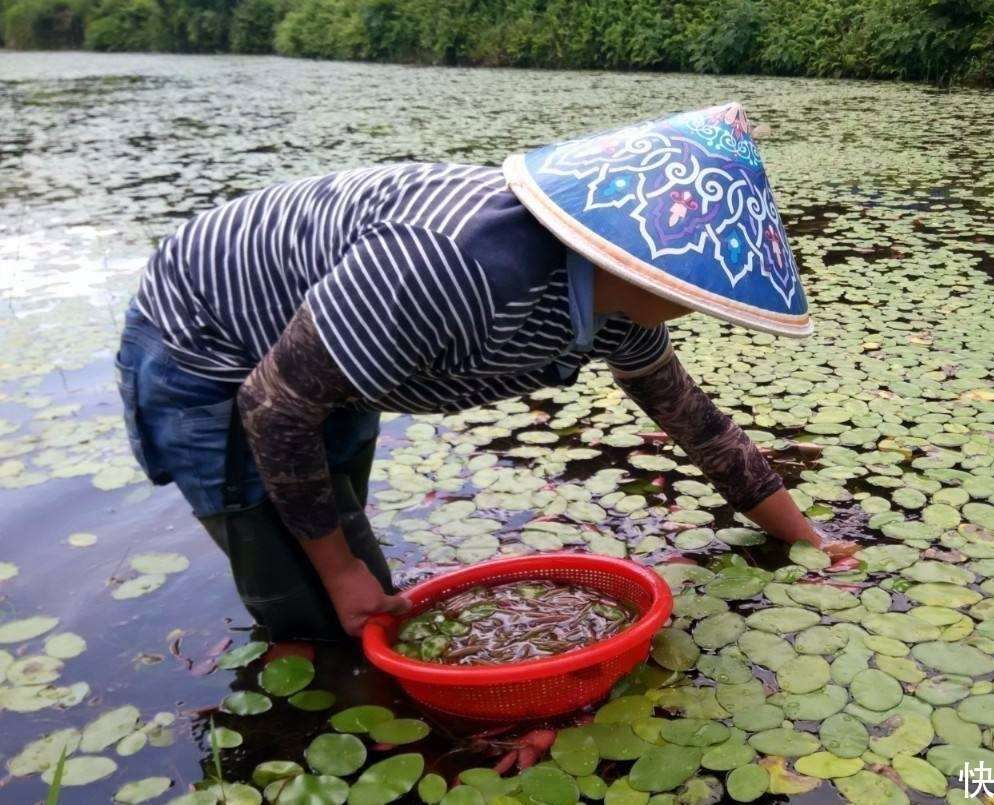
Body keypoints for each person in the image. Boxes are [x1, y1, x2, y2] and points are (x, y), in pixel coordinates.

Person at [115, 102, 858, 642]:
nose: (708, 302)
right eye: (698, 283)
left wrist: (808, 541)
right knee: (313, 605)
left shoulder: (620, 304)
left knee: (352, 561)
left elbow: (698, 425)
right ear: (638, 258)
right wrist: (340, 573)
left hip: (334, 350)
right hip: (208, 340)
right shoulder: (452, 265)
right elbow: (275, 409)